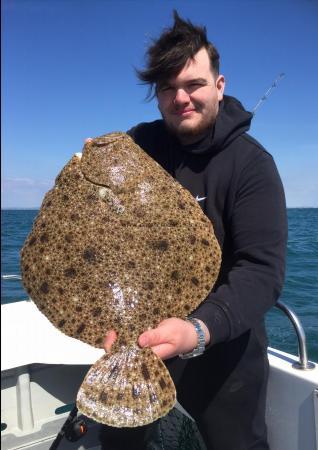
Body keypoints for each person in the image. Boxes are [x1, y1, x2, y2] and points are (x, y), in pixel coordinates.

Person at [99, 10, 287, 450]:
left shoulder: (252, 166)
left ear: (220, 87)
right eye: (167, 88)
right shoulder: (134, 150)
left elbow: (262, 272)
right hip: (134, 347)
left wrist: (197, 330)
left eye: (194, 84)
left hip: (221, 355)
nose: (180, 97)